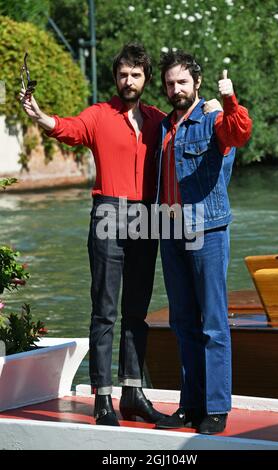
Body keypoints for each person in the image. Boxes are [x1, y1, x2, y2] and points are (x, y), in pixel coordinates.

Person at [19, 43, 167, 427]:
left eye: (135, 74)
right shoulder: (99, 115)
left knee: (137, 311)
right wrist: (39, 115)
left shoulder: (157, 119)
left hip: (148, 215)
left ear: (145, 79)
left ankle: (133, 393)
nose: (128, 80)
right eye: (122, 74)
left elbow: (185, 136)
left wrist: (212, 107)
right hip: (109, 212)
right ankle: (103, 397)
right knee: (105, 310)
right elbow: (69, 129)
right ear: (115, 77)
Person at [154, 50, 252, 434]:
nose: (175, 89)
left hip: (207, 230)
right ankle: (189, 405)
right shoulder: (164, 126)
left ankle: (216, 408)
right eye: (169, 84)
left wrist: (229, 98)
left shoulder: (213, 119)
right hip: (169, 230)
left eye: (181, 82)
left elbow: (239, 132)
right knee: (182, 323)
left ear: (196, 82)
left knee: (213, 323)